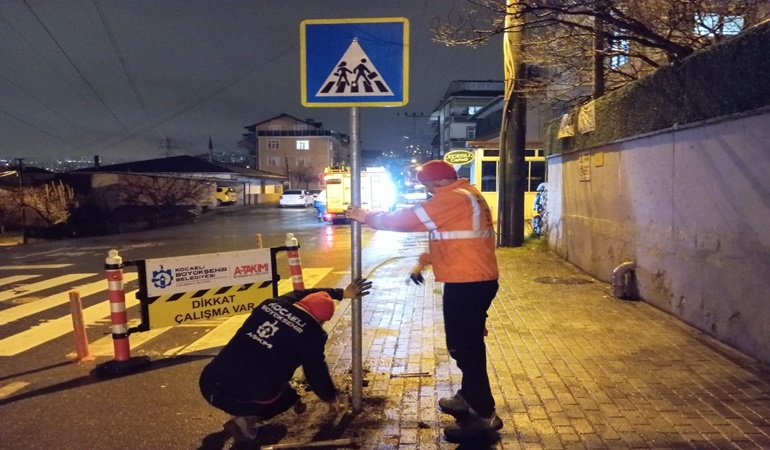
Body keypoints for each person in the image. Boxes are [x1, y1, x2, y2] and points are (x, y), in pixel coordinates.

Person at [346, 160, 501, 442]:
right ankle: (468, 396)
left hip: (468, 283)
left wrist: (366, 216)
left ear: (436, 183)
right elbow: (451, 237)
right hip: (473, 279)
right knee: (466, 345)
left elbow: (408, 219)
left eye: (427, 186)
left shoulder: (452, 198)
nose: (427, 191)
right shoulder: (466, 194)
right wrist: (423, 261)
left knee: (464, 348)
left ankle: (484, 414)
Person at [199, 278, 372, 442]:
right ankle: (244, 421)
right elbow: (315, 372)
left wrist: (340, 293)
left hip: (209, 384)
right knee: (286, 399)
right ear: (320, 320)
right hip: (241, 398)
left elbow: (299, 293)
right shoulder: (313, 334)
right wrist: (330, 396)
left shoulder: (270, 304)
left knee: (251, 373)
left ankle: (238, 409)